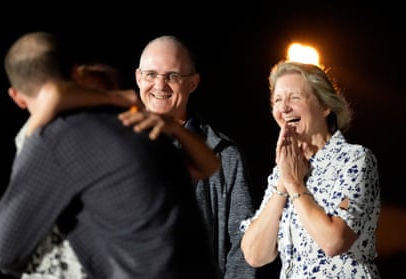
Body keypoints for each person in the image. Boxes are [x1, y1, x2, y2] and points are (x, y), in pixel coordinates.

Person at [24, 35, 256, 279]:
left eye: (172, 76)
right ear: (137, 77)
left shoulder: (225, 154)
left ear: (193, 83)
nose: (160, 85)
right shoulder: (112, 144)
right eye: (151, 75)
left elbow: (243, 243)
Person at [240, 60, 381, 278]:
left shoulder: (355, 159)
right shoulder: (283, 172)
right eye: (277, 100)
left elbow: (334, 241)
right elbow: (255, 255)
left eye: (294, 98)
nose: (284, 108)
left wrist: (295, 185)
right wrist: (282, 183)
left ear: (324, 106)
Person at [17, 62, 133, 278]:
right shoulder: (43, 144)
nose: (87, 114)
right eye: (83, 99)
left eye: (98, 102)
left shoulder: (125, 159)